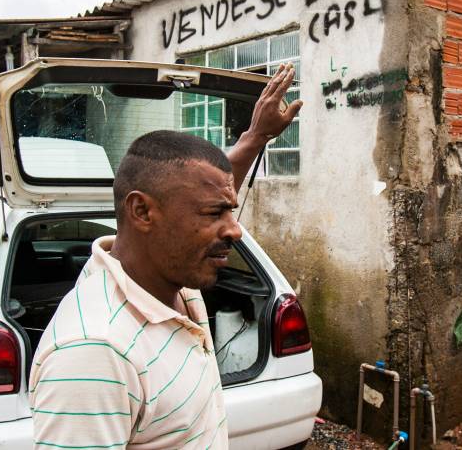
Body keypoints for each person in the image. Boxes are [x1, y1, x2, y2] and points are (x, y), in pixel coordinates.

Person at [28, 64, 302, 449]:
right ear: (142, 213)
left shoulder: (165, 277)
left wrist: (256, 137)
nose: (235, 229)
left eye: (228, 210)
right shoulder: (95, 354)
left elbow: (202, 199)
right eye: (214, 214)